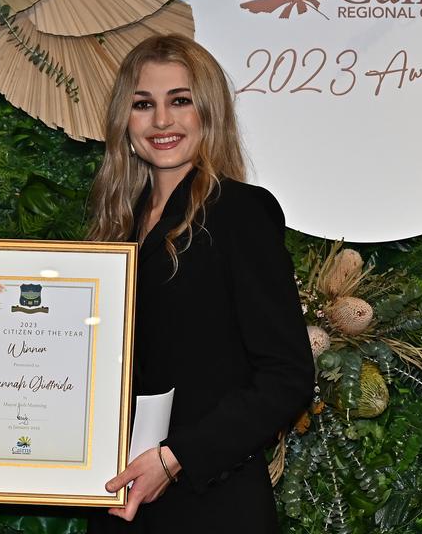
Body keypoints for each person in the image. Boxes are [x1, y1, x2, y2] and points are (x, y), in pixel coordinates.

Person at [87, 34, 315, 532]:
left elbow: (286, 375)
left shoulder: (239, 213)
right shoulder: (114, 227)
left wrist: (176, 458)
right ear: (124, 121)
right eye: (143, 104)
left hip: (210, 501)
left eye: (180, 101)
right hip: (118, 498)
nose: (162, 121)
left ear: (208, 113)